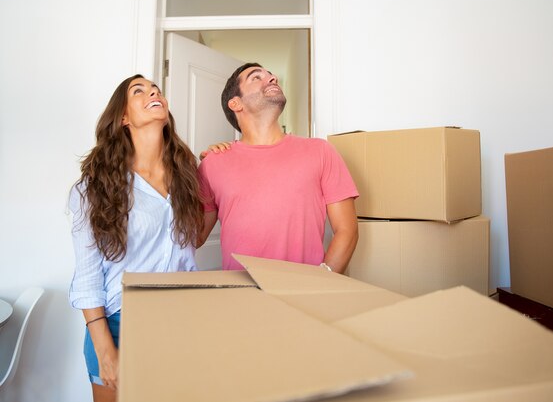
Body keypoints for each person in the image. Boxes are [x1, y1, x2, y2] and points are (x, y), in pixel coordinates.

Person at [68, 75, 204, 402]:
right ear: (124, 117)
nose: (153, 91)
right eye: (138, 91)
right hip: (117, 324)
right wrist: (105, 350)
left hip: (179, 317)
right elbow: (87, 276)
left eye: (155, 88)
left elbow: (193, 243)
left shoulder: (187, 174)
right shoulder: (96, 186)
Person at [196, 63, 359, 273]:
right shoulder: (213, 163)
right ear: (236, 103)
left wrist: (320, 284)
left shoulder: (320, 151)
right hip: (239, 297)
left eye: (271, 75)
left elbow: (347, 231)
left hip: (303, 296)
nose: (272, 78)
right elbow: (195, 238)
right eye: (257, 77)